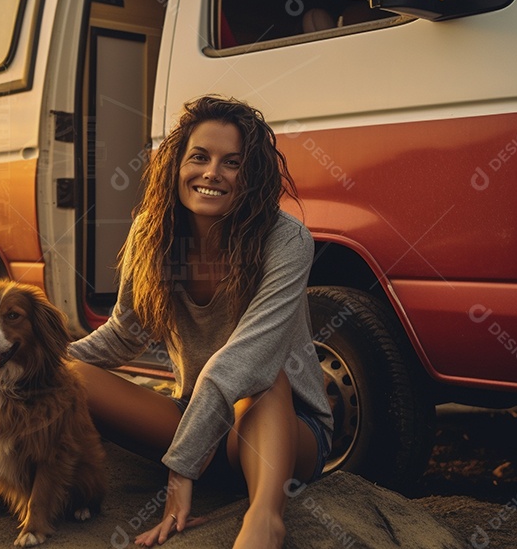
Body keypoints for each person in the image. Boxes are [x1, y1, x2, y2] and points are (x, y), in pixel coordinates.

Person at [68, 95, 333, 549]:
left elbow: (247, 359)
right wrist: (34, 360)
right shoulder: (152, 232)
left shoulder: (286, 239)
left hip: (284, 429)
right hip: (195, 419)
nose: (212, 173)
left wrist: (180, 471)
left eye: (232, 163)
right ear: (177, 164)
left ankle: (264, 519)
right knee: (67, 376)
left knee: (263, 375)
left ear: (250, 177)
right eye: (200, 157)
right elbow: (123, 335)